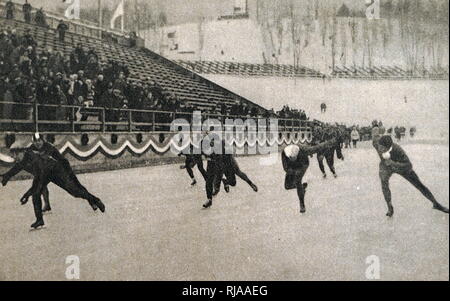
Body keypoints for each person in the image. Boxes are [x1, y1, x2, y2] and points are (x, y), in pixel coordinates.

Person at [1, 134, 105, 229]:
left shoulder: (37, 156)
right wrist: (6, 177)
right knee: (36, 194)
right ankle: (39, 220)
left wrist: (27, 194)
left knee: (74, 191)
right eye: (13, 156)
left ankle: (95, 200)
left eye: (15, 155)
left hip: (56, 171)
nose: (14, 158)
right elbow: (17, 168)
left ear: (21, 151)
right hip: (44, 173)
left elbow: (39, 179)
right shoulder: (24, 157)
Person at [372, 128, 448, 217]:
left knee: (419, 184)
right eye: (379, 147)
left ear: (389, 147)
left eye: (383, 149)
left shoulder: (398, 150)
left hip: (401, 166)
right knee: (384, 183)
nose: (380, 150)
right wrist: (375, 128)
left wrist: (393, 163)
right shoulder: (376, 143)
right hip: (385, 166)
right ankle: (389, 207)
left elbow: (408, 165)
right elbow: (375, 136)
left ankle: (436, 204)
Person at [282, 136, 341, 213]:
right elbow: (285, 167)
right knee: (287, 186)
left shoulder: (304, 150)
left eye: (295, 157)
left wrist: (329, 142)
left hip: (302, 164)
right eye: (292, 158)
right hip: (291, 167)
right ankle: (302, 188)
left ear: (298, 153)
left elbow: (317, 147)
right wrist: (292, 171)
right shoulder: (284, 152)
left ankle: (302, 204)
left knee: (297, 181)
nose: (294, 159)